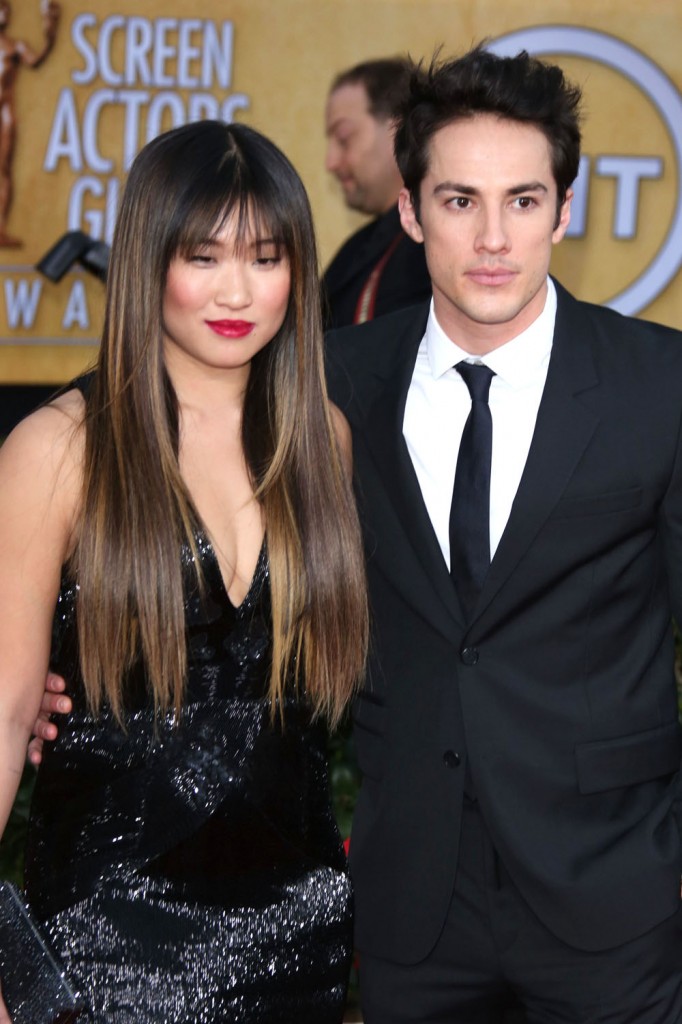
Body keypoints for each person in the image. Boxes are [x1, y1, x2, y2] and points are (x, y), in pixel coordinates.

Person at [322, 45, 682, 1022]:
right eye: (459, 201)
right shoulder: (337, 379)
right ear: (409, 211)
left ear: (562, 210)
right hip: (414, 900)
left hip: (613, 895)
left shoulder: (658, 385)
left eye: (523, 201)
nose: (492, 238)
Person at [0, 118, 368, 1023]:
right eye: (203, 257)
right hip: (105, 945)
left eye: (266, 258)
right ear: (147, 259)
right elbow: (5, 717)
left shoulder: (322, 440)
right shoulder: (59, 450)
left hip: (298, 939)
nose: (237, 290)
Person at [322, 58, 431, 328]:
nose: (331, 162)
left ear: (399, 130)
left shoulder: (436, 242)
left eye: (344, 138)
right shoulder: (357, 248)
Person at [0, 0, 60, 247]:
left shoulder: (15, 46)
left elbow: (36, 60)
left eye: (6, 9)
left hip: (5, 112)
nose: (3, 13)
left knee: (3, 169)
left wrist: (50, 32)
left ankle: (1, 227)